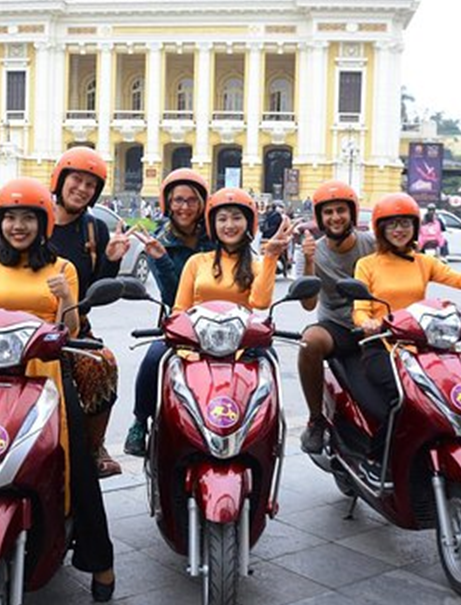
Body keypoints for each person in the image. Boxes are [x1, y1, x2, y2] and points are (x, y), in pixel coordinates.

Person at [0, 177, 116, 601]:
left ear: (42, 222)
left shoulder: (61, 268)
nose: (17, 226)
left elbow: (71, 331)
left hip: (45, 371)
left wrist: (67, 297)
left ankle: (100, 561)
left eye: (27, 217)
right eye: (9, 217)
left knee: (76, 461)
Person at [352, 193, 461, 485]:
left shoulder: (423, 262)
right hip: (383, 346)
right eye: (392, 224)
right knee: (402, 398)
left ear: (414, 227)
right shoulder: (367, 264)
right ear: (380, 229)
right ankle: (375, 459)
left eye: (405, 223)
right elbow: (359, 310)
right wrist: (368, 323)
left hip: (422, 347)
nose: (399, 230)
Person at [48, 147, 133, 478]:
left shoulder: (93, 230)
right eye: (77, 180)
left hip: (72, 326)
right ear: (60, 180)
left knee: (103, 364)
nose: (82, 189)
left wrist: (111, 259)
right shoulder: (36, 218)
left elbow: (96, 294)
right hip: (24, 321)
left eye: (90, 185)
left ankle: (94, 446)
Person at [123, 169, 214, 457]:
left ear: (202, 204)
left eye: (191, 200)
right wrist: (161, 260)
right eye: (178, 200)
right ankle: (139, 422)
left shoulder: (216, 236)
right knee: (153, 358)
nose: (184, 207)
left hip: (222, 323)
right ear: (167, 203)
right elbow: (173, 296)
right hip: (180, 324)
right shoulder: (160, 242)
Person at [297, 181, 376, 454]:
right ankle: (316, 419)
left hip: (376, 325)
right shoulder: (311, 251)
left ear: (352, 213)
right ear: (320, 218)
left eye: (340, 210)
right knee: (309, 342)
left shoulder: (373, 244)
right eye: (328, 212)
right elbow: (308, 305)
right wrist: (308, 262)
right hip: (338, 327)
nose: (335, 217)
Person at [173, 188, 291, 314]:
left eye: (237, 218)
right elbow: (180, 309)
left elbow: (260, 303)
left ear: (248, 223)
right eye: (222, 219)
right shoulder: (196, 262)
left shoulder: (256, 265)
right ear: (213, 225)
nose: (229, 225)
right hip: (196, 332)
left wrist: (271, 257)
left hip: (241, 333)